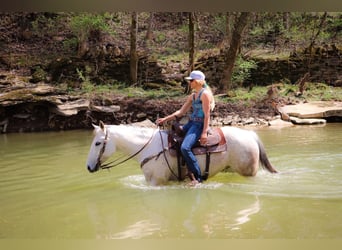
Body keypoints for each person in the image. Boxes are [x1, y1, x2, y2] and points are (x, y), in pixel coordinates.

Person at [156, 70, 215, 185]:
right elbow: (181, 112)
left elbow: (207, 115)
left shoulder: (205, 94)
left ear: (198, 81)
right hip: (190, 123)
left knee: (185, 147)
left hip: (199, 125)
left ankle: (197, 178)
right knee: (172, 136)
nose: (190, 83)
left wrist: (203, 133)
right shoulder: (192, 96)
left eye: (191, 80)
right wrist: (165, 119)